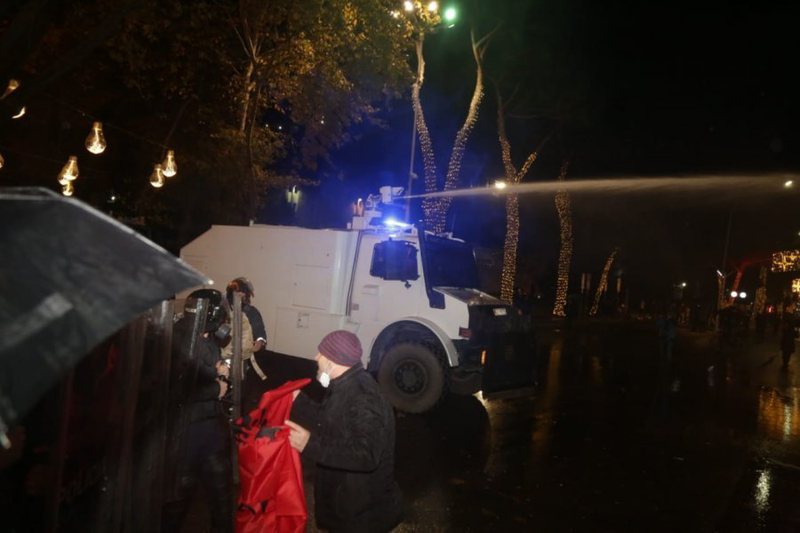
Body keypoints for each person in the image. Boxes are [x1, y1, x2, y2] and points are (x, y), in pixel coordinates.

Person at [285, 330, 404, 533]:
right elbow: (331, 421)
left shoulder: (365, 398)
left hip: (362, 515)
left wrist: (309, 445)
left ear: (333, 360)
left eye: (321, 353)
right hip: (348, 505)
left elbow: (365, 455)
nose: (316, 357)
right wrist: (300, 402)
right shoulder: (345, 383)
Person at [162, 289, 233, 533]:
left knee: (222, 499)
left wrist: (218, 369)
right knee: (176, 502)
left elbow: (204, 367)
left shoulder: (204, 336)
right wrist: (216, 388)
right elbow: (176, 388)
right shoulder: (181, 339)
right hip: (186, 433)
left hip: (210, 430)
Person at [224, 278, 268, 408]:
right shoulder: (223, 309)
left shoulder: (251, 312)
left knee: (239, 386)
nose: (240, 295)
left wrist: (259, 342)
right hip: (223, 353)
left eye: (243, 292)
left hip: (242, 356)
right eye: (237, 292)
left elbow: (260, 331)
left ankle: (237, 406)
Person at [780, 302, 798, 371]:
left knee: (788, 351)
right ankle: (785, 364)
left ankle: (786, 363)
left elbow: (796, 322)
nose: (793, 307)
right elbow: (791, 323)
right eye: (792, 306)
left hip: (790, 335)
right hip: (787, 336)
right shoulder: (787, 315)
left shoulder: (791, 315)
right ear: (788, 307)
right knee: (786, 350)